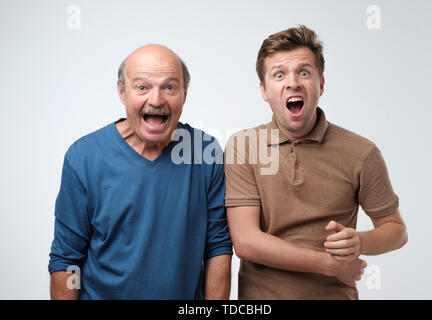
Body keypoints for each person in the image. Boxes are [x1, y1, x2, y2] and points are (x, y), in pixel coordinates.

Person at [224, 25, 408, 299]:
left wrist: (359, 242)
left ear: (321, 84)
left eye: (304, 72)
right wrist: (331, 266)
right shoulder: (243, 146)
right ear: (264, 90)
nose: (293, 83)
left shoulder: (362, 152)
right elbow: (247, 242)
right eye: (279, 74)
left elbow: (396, 230)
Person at [48, 45, 232, 299]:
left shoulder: (205, 152)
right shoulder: (84, 157)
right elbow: (66, 258)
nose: (156, 100)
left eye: (169, 87)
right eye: (142, 87)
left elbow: (218, 246)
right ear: (122, 93)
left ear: (184, 94)